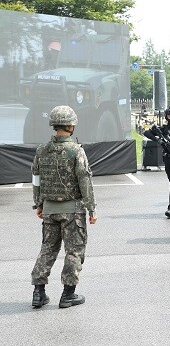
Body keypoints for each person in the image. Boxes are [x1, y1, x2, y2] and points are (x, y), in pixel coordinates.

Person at [30, 105, 97, 309]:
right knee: (74, 251)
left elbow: (36, 179)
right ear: (70, 126)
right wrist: (92, 209)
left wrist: (39, 204)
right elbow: (84, 181)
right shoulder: (76, 151)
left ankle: (38, 293)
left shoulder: (42, 150)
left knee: (47, 249)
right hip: (72, 212)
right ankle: (68, 294)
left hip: (49, 209)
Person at [143, 106, 170, 218]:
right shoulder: (163, 130)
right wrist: (158, 139)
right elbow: (146, 133)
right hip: (167, 160)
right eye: (169, 115)